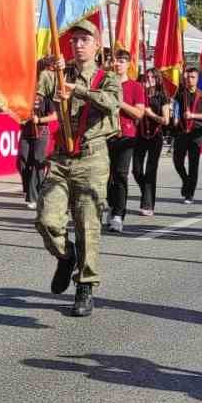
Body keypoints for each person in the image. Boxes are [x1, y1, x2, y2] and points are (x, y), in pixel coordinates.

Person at [36, 19, 121, 317]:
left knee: (87, 224)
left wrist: (78, 92)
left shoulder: (106, 78)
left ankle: (85, 285)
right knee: (47, 218)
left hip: (92, 158)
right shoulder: (58, 73)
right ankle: (66, 254)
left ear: (97, 45)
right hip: (61, 157)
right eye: (74, 40)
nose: (79, 44)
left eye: (85, 39)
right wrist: (43, 64)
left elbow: (112, 103)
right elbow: (32, 87)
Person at [104, 49, 149, 233]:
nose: (118, 64)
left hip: (126, 136)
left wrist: (120, 102)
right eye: (115, 60)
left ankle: (118, 215)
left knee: (121, 174)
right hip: (106, 134)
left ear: (128, 64)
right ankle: (112, 204)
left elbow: (139, 113)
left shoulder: (136, 87)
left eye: (122, 60)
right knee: (105, 176)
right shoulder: (105, 83)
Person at [18, 68, 56, 211]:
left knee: (36, 162)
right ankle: (31, 187)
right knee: (22, 160)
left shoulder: (46, 98)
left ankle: (33, 196)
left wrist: (39, 119)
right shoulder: (23, 96)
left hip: (41, 132)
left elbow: (54, 116)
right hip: (26, 132)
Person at [170, 66, 202, 204]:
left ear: (198, 79)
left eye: (192, 77)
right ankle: (186, 181)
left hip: (196, 133)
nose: (189, 79)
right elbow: (175, 107)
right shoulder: (180, 93)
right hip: (181, 131)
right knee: (177, 161)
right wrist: (174, 117)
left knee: (194, 164)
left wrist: (193, 115)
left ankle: (190, 194)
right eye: (187, 77)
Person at [133, 68, 169, 217]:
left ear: (157, 79)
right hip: (139, 135)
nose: (148, 80)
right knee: (136, 170)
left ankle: (147, 204)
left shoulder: (162, 97)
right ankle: (146, 192)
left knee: (150, 171)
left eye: (152, 77)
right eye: (146, 77)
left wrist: (151, 114)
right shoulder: (139, 95)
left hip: (155, 137)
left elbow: (165, 120)